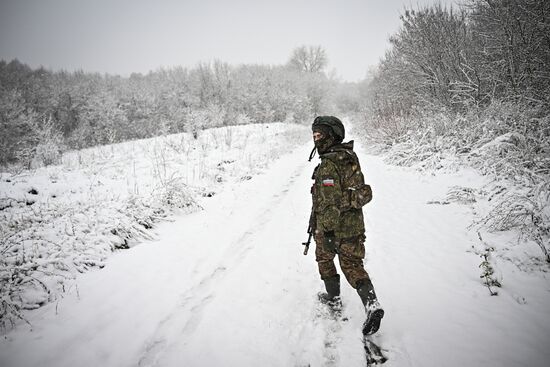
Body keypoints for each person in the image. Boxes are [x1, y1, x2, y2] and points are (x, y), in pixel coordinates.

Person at [308, 115, 384, 335]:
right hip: (354, 227)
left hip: (332, 227)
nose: (316, 139)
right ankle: (372, 305)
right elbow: (360, 190)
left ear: (332, 135)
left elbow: (329, 203)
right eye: (314, 134)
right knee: (353, 265)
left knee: (324, 258)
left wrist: (329, 232)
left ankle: (332, 299)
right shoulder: (349, 156)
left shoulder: (329, 165)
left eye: (319, 134)